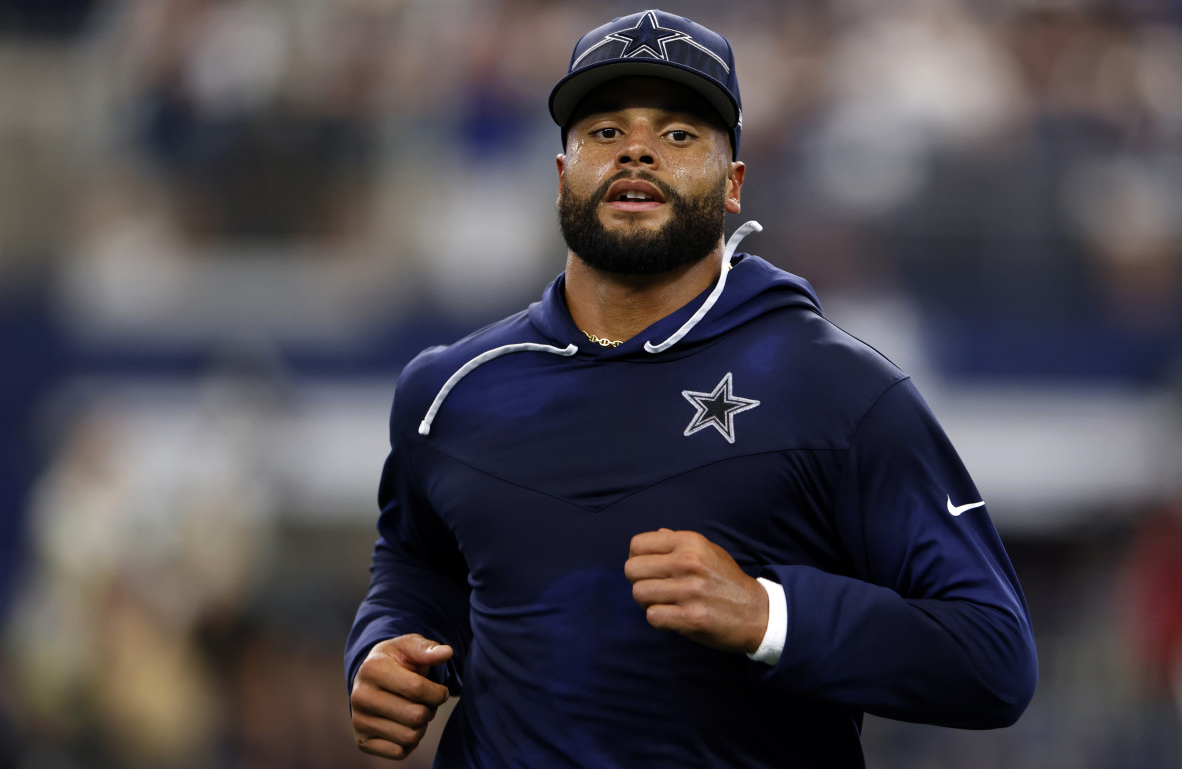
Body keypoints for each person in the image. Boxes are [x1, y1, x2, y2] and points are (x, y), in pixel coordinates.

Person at [345, 9, 1037, 768]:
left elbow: (994, 657)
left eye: (679, 135)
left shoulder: (838, 389)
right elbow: (418, 564)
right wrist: (383, 647)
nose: (636, 148)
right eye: (604, 131)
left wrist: (769, 614)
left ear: (733, 183)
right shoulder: (451, 388)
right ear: (561, 174)